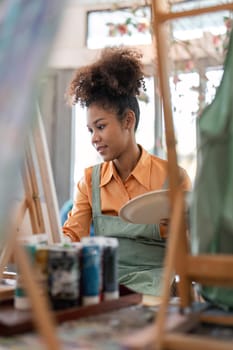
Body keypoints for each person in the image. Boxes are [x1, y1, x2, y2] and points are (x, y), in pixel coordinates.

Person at [63, 46, 191, 296]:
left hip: (156, 290)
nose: (94, 138)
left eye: (100, 127)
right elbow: (71, 235)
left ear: (128, 121)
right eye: (90, 130)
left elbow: (190, 252)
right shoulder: (90, 181)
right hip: (102, 286)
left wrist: (181, 228)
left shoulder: (173, 178)